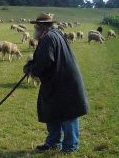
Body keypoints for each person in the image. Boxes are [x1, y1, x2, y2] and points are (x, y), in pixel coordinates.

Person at [23, 13, 89, 153]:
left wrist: (32, 70)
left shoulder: (48, 38)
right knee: (52, 111)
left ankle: (70, 147)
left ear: (42, 26)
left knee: (68, 114)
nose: (34, 28)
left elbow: (46, 61)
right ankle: (53, 142)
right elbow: (43, 57)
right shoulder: (55, 34)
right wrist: (31, 65)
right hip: (56, 81)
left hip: (64, 83)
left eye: (36, 25)